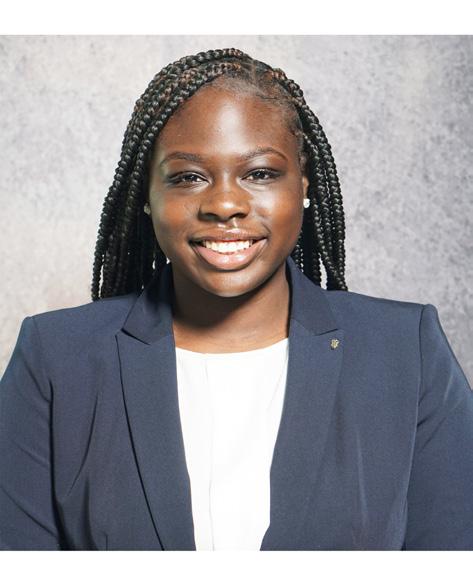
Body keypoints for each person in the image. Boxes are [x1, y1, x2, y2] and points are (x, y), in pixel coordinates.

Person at [1, 47, 472, 551]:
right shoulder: (55, 357)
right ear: (146, 196)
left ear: (304, 184)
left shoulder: (406, 351)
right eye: (188, 176)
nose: (225, 204)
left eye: (260, 173)